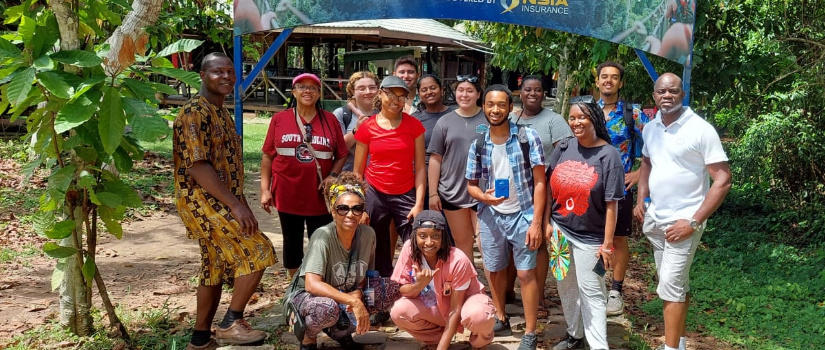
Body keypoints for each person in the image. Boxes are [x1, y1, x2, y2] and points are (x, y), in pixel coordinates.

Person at [173, 53, 277, 350]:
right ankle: (232, 322)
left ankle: (200, 339)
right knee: (258, 249)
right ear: (202, 75)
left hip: (221, 198)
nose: (226, 76)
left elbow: (228, 165)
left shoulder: (220, 112)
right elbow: (197, 165)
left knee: (214, 266)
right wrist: (236, 205)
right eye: (218, 71)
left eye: (231, 71)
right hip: (201, 200)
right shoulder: (195, 112)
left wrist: (240, 200)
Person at [633, 73, 731, 350]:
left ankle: (671, 347)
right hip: (656, 221)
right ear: (654, 95)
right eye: (661, 91)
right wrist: (642, 200)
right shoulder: (651, 128)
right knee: (674, 285)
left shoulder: (701, 130)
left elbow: (722, 180)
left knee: (670, 288)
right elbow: (647, 163)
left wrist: (693, 221)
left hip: (683, 224)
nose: (667, 96)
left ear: (682, 94)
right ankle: (681, 341)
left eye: (673, 91)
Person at [466, 84, 546, 350]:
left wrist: (536, 222)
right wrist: (484, 198)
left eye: (501, 104)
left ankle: (531, 331)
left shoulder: (527, 137)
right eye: (490, 104)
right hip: (491, 215)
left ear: (510, 108)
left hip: (522, 214)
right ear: (484, 107)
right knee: (494, 269)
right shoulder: (478, 141)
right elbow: (471, 185)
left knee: (525, 274)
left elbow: (539, 183)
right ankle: (500, 316)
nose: (495, 109)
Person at [287, 172, 401, 350]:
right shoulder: (322, 236)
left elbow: (366, 275)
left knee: (390, 289)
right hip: (310, 298)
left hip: (345, 294)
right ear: (333, 211)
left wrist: (358, 292)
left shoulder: (368, 234)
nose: (350, 214)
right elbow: (311, 284)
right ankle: (309, 338)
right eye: (343, 208)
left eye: (357, 209)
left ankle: (343, 333)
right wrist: (353, 301)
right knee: (327, 308)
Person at [545, 96, 624, 350]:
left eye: (582, 117)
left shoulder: (608, 155)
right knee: (566, 287)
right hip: (559, 231)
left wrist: (608, 244)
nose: (576, 122)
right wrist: (546, 222)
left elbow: (613, 204)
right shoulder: (564, 147)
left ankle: (599, 345)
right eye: (573, 117)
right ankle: (574, 335)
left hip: (591, 238)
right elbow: (547, 187)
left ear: (595, 120)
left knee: (592, 293)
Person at [261, 72, 348, 278]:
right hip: (287, 192)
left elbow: (342, 154)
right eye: (302, 87)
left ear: (319, 94)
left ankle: (317, 282)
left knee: (322, 241)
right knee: (292, 242)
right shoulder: (279, 119)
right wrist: (265, 189)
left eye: (313, 88)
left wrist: (332, 175)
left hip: (319, 195)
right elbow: (267, 156)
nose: (307, 91)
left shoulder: (329, 120)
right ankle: (295, 286)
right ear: (294, 92)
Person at [509, 75, 573, 318]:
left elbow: (565, 154)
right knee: (516, 239)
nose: (532, 94)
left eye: (538, 90)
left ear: (544, 93)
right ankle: (514, 292)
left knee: (540, 241)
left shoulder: (554, 120)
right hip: (515, 189)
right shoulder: (511, 118)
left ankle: (540, 296)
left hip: (544, 186)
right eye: (528, 90)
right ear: (520, 92)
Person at [353, 75, 426, 277]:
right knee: (378, 247)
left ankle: (413, 285)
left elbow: (420, 168)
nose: (397, 100)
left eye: (402, 96)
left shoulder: (414, 126)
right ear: (380, 94)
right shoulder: (368, 127)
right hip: (374, 192)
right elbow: (358, 171)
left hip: (405, 191)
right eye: (392, 94)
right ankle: (381, 293)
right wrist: (360, 205)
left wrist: (419, 203)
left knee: (417, 241)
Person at [390, 210, 495, 350]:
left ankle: (479, 343)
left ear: (443, 237)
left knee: (478, 316)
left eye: (435, 236)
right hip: (437, 308)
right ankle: (438, 339)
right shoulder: (409, 249)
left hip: (464, 306)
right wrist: (418, 286)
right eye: (422, 236)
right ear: (415, 236)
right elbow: (402, 289)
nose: (428, 242)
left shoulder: (458, 259)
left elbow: (455, 309)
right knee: (399, 311)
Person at [594, 61, 651, 316]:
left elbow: (658, 144)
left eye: (614, 77)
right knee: (592, 237)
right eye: (604, 77)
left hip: (620, 189)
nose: (608, 81)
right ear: (597, 81)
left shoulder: (633, 113)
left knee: (617, 239)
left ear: (621, 83)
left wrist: (640, 173)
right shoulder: (587, 111)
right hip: (590, 187)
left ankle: (616, 291)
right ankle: (595, 286)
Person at [427, 75, 486, 262]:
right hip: (452, 191)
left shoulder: (489, 118)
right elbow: (435, 159)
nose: (465, 95)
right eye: (461, 90)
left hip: (484, 191)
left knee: (485, 245)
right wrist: (433, 193)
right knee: (462, 244)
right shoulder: (444, 122)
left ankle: (494, 291)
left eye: (470, 91)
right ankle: (468, 288)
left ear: (478, 94)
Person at [333, 71, 380, 171]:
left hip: (378, 178)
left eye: (372, 87)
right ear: (352, 91)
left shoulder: (385, 113)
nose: (368, 92)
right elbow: (337, 149)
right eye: (362, 88)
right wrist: (356, 130)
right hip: (348, 178)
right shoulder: (342, 114)